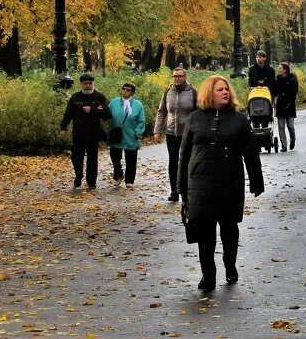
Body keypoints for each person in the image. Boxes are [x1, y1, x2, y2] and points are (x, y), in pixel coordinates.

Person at [180, 75, 264, 291]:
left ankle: (230, 264)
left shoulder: (239, 119)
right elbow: (185, 154)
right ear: (209, 93)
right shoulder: (195, 119)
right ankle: (208, 274)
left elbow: (250, 152)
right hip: (200, 184)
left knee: (228, 227)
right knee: (204, 231)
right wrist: (181, 186)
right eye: (220, 90)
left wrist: (256, 180)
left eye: (226, 89)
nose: (225, 93)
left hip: (229, 181)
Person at [154, 67, 198, 202]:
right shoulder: (168, 92)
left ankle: (188, 189)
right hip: (171, 132)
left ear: (185, 77)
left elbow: (199, 113)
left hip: (188, 133)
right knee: (173, 161)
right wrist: (157, 131)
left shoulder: (193, 92)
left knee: (188, 161)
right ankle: (174, 190)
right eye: (174, 76)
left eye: (180, 76)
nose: (177, 78)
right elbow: (162, 111)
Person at [59, 73, 109, 190]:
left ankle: (91, 182)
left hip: (93, 134)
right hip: (78, 133)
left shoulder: (99, 97)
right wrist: (63, 128)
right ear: (81, 84)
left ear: (93, 84)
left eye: (90, 83)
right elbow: (68, 114)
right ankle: (78, 176)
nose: (88, 86)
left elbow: (107, 115)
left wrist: (92, 110)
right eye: (85, 83)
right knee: (76, 158)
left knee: (92, 159)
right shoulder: (75, 97)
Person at [107, 82, 146, 187]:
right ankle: (118, 174)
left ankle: (129, 180)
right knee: (114, 156)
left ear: (132, 92)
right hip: (117, 133)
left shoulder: (138, 105)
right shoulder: (113, 102)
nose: (125, 91)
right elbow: (107, 116)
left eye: (128, 90)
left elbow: (141, 120)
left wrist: (137, 132)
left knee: (131, 158)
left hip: (131, 134)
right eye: (124, 89)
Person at [271, 62, 299, 151]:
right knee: (281, 127)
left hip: (290, 104)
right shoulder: (277, 80)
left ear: (285, 70)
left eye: (280, 68)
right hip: (280, 104)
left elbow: (294, 93)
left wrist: (289, 103)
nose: (278, 70)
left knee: (290, 126)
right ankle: (284, 146)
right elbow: (273, 90)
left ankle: (292, 138)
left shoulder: (292, 79)